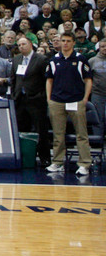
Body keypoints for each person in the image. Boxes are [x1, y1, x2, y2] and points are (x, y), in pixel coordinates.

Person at [45, 32, 93, 176]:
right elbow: (49, 80)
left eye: (68, 41)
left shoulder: (80, 59)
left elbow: (88, 80)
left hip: (76, 101)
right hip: (57, 101)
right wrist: (49, 99)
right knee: (58, 135)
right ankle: (57, 162)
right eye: (63, 40)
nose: (65, 43)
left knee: (81, 134)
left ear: (73, 43)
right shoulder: (53, 60)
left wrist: (85, 99)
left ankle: (84, 164)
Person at [11, 36, 51, 166]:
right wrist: (14, 94)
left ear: (31, 45)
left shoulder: (41, 59)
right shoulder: (16, 59)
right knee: (22, 130)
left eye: (23, 44)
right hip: (20, 100)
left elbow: (47, 81)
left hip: (36, 100)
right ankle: (24, 159)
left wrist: (42, 96)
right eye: (19, 45)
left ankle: (45, 158)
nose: (21, 46)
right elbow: (14, 79)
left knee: (41, 130)